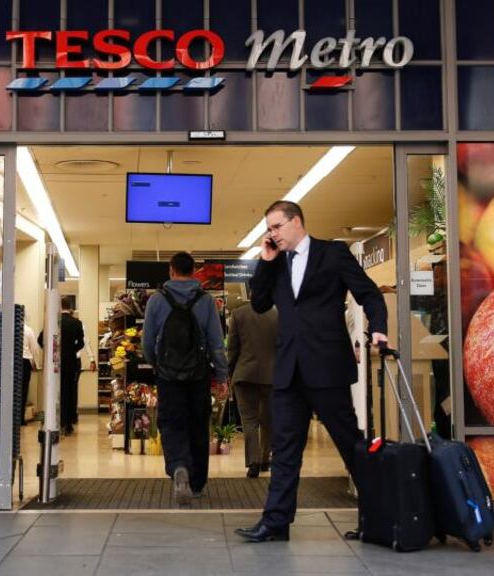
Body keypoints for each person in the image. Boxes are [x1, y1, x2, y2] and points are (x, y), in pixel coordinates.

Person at [235, 200, 388, 543]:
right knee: (284, 449)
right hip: (288, 371)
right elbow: (259, 303)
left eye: (276, 227)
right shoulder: (275, 262)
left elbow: (368, 293)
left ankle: (379, 518)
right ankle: (276, 523)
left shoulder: (333, 254)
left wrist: (379, 327)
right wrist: (265, 263)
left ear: (296, 222)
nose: (272, 234)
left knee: (349, 445)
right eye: (268, 229)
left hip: (328, 367)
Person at [143, 252, 229, 505]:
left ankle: (179, 466)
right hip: (198, 374)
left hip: (168, 375)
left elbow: (147, 341)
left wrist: (157, 364)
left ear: (171, 270)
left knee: (171, 423)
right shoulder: (206, 301)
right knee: (198, 424)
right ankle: (197, 483)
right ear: (194, 272)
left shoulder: (157, 300)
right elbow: (216, 343)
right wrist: (221, 375)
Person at [226, 300, 277, 478]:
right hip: (271, 376)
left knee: (249, 420)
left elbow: (232, 348)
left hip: (244, 375)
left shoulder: (238, 314)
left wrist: (230, 372)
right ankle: (265, 458)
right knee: (268, 420)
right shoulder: (278, 315)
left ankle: (253, 461)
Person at [59, 297, 84, 435]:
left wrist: (55, 352)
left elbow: (40, 339)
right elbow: (81, 343)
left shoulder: (55, 321)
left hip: (56, 364)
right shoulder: (76, 323)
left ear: (60, 306)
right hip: (70, 363)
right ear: (70, 306)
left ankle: (59, 422)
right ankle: (68, 424)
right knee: (69, 392)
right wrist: (71, 350)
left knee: (59, 393)